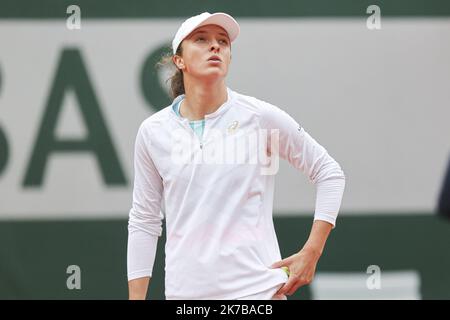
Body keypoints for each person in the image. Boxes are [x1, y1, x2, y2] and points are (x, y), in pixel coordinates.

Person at [127, 12, 346, 300]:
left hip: (257, 295)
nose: (215, 46)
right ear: (179, 61)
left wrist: (312, 251)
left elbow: (329, 173)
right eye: (202, 40)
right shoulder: (152, 132)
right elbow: (144, 220)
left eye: (222, 42)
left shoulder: (259, 117)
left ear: (229, 58)